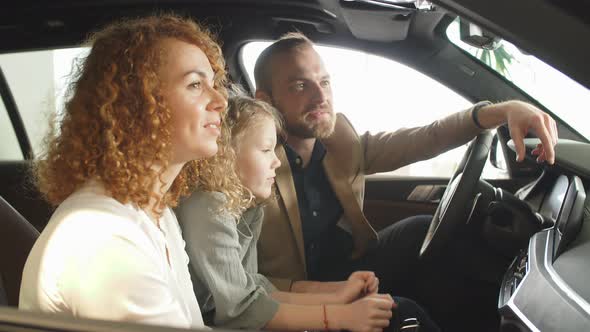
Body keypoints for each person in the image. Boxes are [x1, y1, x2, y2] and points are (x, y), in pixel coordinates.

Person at [252, 32, 558, 329]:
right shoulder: (248, 168)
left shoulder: (338, 143)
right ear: (265, 100)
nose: (320, 96)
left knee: (421, 231)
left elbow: (425, 138)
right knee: (403, 312)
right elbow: (242, 282)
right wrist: (330, 299)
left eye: (325, 82)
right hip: (296, 295)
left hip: (349, 266)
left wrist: (502, 111)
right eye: (299, 85)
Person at [19, 15, 231, 329]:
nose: (221, 101)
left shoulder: (155, 215)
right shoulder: (102, 234)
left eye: (214, 85)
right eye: (195, 85)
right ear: (136, 104)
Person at [177, 94, 439, 331]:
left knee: (399, 310)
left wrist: (335, 295)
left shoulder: (247, 206)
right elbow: (240, 310)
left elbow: (253, 286)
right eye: (266, 150)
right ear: (225, 155)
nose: (277, 161)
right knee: (402, 313)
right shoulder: (209, 208)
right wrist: (338, 317)